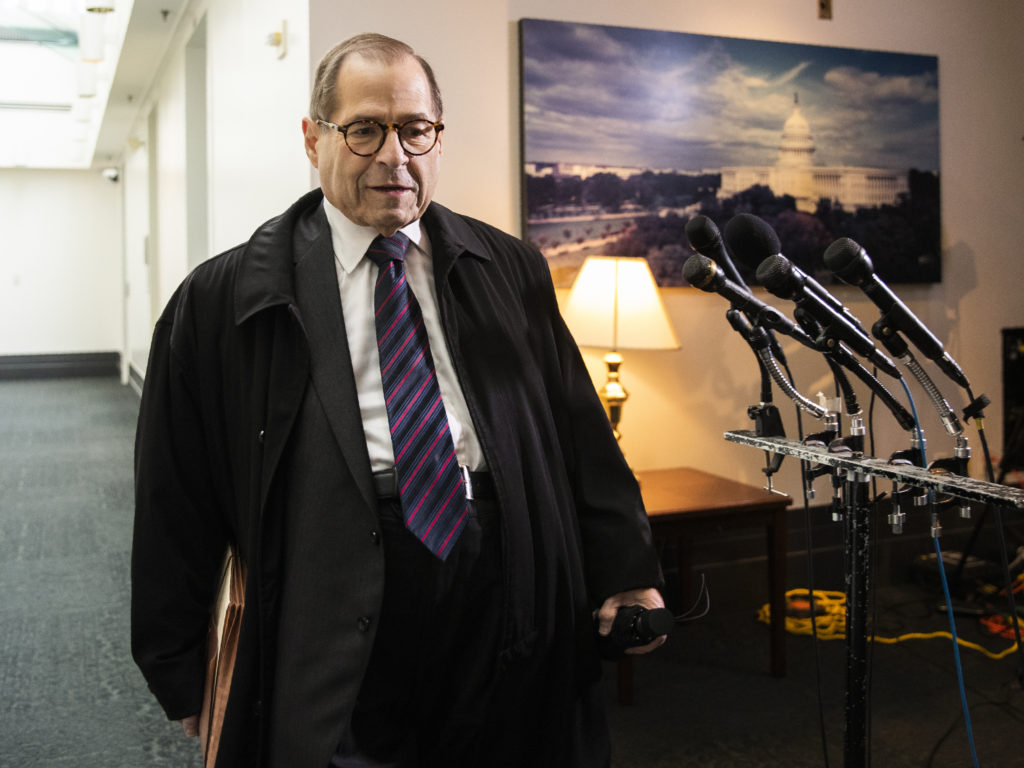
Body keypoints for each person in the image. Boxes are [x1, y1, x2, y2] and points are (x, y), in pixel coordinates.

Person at [131, 32, 666, 768]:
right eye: (364, 130)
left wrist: (626, 569)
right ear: (313, 139)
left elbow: (580, 436)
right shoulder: (221, 300)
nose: (395, 155)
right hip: (333, 590)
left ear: (437, 137)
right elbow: (174, 497)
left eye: (415, 129)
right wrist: (177, 664)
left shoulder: (505, 266)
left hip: (496, 581)